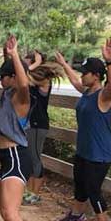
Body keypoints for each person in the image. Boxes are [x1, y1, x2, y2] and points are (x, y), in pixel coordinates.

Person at [54, 39, 111, 221]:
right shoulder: (87, 92)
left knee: (93, 189)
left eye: (85, 73)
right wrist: (64, 65)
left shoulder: (104, 95)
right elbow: (75, 81)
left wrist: (110, 61)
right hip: (84, 151)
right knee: (80, 185)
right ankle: (77, 214)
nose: (82, 76)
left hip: (99, 154)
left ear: (96, 76)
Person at [0, 34, 44, 221]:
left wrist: (14, 56)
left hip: (15, 156)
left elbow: (23, 83)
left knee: (10, 211)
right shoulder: (5, 95)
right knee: (2, 204)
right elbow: (15, 75)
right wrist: (8, 54)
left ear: (12, 77)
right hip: (6, 156)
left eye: (3, 75)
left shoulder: (21, 97)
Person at [23, 59, 63, 205]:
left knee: (35, 157)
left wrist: (33, 64)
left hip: (38, 125)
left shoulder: (43, 81)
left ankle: (35, 193)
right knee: (30, 157)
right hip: (31, 124)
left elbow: (25, 75)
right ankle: (29, 191)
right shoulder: (35, 79)